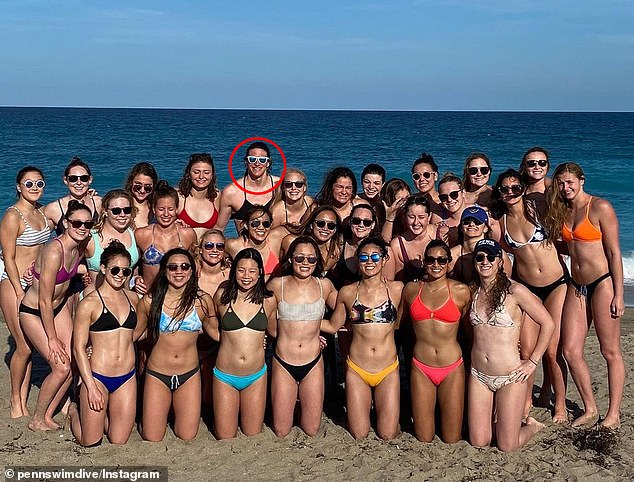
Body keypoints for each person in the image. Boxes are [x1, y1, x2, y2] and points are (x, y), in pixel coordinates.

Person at [545, 162, 624, 429]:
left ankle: (613, 414)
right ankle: (590, 408)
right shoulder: (563, 211)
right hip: (576, 287)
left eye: (570, 182)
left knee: (609, 351)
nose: (566, 188)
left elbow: (613, 253)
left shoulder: (600, 207)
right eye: (561, 183)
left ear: (582, 180)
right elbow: (571, 247)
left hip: (603, 284)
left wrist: (619, 295)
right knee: (570, 350)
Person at [493, 169, 568, 423]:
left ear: (523, 189)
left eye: (516, 188)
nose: (511, 193)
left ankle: (559, 403)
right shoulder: (500, 223)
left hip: (557, 284)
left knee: (551, 349)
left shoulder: (538, 209)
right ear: (500, 193)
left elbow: (554, 191)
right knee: (526, 350)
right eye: (505, 189)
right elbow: (502, 255)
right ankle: (526, 402)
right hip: (527, 288)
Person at [468, 239, 553, 452]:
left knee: (508, 446)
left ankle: (532, 427)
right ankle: (505, 423)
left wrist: (532, 361)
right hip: (479, 376)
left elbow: (548, 323)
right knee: (479, 441)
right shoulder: (473, 291)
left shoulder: (515, 291)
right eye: (480, 257)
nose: (485, 261)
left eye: (490, 257)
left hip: (510, 377)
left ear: (500, 262)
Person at [19, 201, 92, 431]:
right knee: (60, 367)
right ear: (66, 223)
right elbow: (43, 299)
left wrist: (87, 273)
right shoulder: (53, 251)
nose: (82, 227)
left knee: (74, 361)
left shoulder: (80, 245)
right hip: (34, 312)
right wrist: (52, 338)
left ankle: (49, 415)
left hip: (57, 308)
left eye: (87, 223)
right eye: (77, 223)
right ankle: (37, 419)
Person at [321, 237, 403, 440]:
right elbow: (333, 326)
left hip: (388, 369)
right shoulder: (348, 292)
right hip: (357, 369)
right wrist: (299, 321)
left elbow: (404, 322)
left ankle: (392, 417)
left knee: (388, 434)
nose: (369, 261)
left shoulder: (397, 289)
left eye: (375, 256)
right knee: (359, 433)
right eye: (364, 257)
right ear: (358, 261)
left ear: (384, 259)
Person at [135, 248, 217, 441]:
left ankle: (165, 412)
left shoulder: (202, 301)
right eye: (172, 267)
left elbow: (217, 332)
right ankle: (149, 416)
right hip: (157, 374)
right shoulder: (150, 300)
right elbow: (134, 335)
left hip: (188, 375)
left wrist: (250, 335)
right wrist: (94, 345)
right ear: (164, 270)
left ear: (191, 271)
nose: (178, 271)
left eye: (184, 266)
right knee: (152, 437)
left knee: (187, 435)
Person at [399, 240, 471, 443]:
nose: (436, 264)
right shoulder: (411, 290)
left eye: (441, 260)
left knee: (451, 439)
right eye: (431, 260)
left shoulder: (461, 291)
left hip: (452, 367)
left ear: (449, 263)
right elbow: (398, 325)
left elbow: (471, 332)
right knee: (423, 437)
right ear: (424, 262)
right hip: (421, 367)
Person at [69, 242, 139, 446]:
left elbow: (140, 331)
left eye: (126, 271)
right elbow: (78, 347)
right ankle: (74, 412)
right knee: (90, 442)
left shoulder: (134, 299)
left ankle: (100, 416)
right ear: (103, 268)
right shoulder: (89, 303)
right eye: (115, 269)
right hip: (98, 376)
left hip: (127, 378)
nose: (120, 275)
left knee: (119, 440)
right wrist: (89, 385)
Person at [267, 236, 337, 437]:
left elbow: (347, 307)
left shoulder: (325, 285)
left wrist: (316, 328)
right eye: (300, 258)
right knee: (281, 430)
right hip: (283, 361)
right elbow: (268, 323)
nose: (305, 263)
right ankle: (291, 402)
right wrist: (293, 329)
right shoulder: (277, 285)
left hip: (313, 362)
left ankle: (299, 403)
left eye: (311, 259)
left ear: (317, 261)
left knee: (311, 429)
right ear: (290, 259)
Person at [0, 166, 52, 418]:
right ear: (18, 187)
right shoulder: (12, 216)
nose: (34, 188)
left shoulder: (43, 211)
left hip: (35, 285)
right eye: (29, 184)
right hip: (14, 284)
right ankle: (15, 401)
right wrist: (19, 290)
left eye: (39, 183)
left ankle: (23, 397)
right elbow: (8, 257)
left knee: (30, 344)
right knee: (23, 346)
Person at [211, 248, 277, 439]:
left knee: (252, 433)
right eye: (241, 270)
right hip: (225, 376)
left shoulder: (269, 300)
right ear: (234, 271)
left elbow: (275, 331)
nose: (246, 276)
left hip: (255, 376)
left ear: (260, 274)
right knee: (225, 436)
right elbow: (208, 322)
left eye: (252, 271)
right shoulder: (222, 297)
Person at [134, 181, 196, 295]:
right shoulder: (142, 235)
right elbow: (132, 264)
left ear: (177, 209)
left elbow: (196, 265)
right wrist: (136, 279)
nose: (166, 214)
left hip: (179, 297)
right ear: (154, 209)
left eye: (170, 209)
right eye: (161, 209)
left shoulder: (187, 234)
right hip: (150, 296)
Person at [83, 189, 138, 294]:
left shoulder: (133, 233)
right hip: (95, 301)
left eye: (127, 210)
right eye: (116, 211)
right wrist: (85, 270)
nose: (122, 215)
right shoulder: (90, 237)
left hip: (125, 300)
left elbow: (135, 266)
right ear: (105, 212)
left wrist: (136, 278)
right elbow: (69, 261)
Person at [218, 141, 280, 231]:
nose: (257, 163)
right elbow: (219, 227)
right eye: (252, 159)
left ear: (268, 163)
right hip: (244, 243)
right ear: (246, 162)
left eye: (262, 160)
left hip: (274, 243)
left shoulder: (280, 186)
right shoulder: (231, 192)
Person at [449, 206, 511, 285]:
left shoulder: (498, 253)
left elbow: (507, 282)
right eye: (467, 221)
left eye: (477, 222)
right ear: (461, 227)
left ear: (485, 228)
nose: (471, 224)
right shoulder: (453, 255)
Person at [44, 156, 101, 235]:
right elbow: (40, 236)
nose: (78, 182)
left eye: (84, 178)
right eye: (73, 179)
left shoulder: (99, 203)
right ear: (65, 180)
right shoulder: (54, 209)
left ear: (90, 180)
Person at [279, 206, 342, 277]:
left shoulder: (334, 254)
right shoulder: (291, 242)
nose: (325, 228)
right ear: (312, 225)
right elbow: (282, 271)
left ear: (334, 230)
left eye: (331, 225)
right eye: (320, 223)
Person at [226, 206, 286, 280]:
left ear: (270, 226)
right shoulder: (234, 245)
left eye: (266, 224)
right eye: (255, 223)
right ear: (246, 225)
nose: (261, 227)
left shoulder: (277, 239)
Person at [386, 195, 436, 283]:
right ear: (405, 217)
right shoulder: (397, 244)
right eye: (411, 217)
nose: (416, 222)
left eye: (421, 217)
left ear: (429, 217)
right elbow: (399, 281)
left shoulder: (440, 234)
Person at [177, 153, 222, 238]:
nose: (201, 176)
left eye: (206, 172)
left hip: (210, 248)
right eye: (196, 172)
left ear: (212, 175)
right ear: (189, 174)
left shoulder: (217, 196)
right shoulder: (179, 197)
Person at [432, 174, 467, 248]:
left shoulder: (478, 211)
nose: (449, 200)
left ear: (463, 193)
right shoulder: (438, 218)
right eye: (443, 197)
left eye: (454, 194)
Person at [123, 162, 158, 228]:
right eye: (138, 186)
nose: (142, 191)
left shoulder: (157, 206)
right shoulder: (122, 206)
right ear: (131, 182)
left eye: (147, 187)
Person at [519, 147, 551, 214]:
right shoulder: (517, 189)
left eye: (542, 163)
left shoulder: (554, 190)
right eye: (531, 163)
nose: (537, 167)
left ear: (547, 166)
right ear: (524, 166)